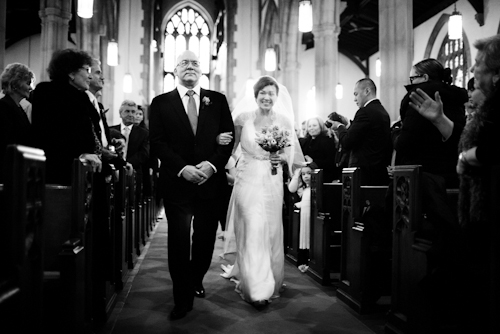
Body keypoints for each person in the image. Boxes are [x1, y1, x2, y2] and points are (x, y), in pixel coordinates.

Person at [410, 34, 500, 333]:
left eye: (478, 65)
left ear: (497, 73)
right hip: (477, 211)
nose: (473, 72)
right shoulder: (486, 109)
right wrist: (439, 120)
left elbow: (486, 150)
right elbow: (464, 142)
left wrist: (470, 158)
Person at [149, 50, 234, 320]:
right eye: (184, 62)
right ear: (175, 70)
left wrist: (210, 166)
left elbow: (228, 138)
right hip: (178, 184)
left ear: (202, 71)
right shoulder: (161, 102)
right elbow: (158, 142)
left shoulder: (217, 100)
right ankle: (182, 298)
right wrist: (182, 169)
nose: (190, 66)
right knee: (178, 240)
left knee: (205, 239)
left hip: (210, 183)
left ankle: (195, 277)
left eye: (195, 63)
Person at [219, 75, 305, 308]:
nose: (267, 97)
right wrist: (228, 171)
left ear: (277, 97)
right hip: (246, 178)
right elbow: (231, 149)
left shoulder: (284, 121)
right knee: (253, 227)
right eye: (263, 93)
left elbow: (293, 154)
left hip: (272, 179)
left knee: (271, 228)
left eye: (271, 93)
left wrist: (283, 161)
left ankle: (270, 277)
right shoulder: (242, 118)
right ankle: (256, 286)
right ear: (255, 96)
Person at [31, 49, 102, 184]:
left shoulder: (82, 97)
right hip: (59, 170)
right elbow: (50, 135)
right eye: (87, 70)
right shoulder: (47, 92)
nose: (90, 76)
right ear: (71, 73)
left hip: (85, 170)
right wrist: (80, 155)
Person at [394, 58, 468, 188]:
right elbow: (460, 138)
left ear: (425, 77)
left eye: (412, 79)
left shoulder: (419, 97)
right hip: (451, 174)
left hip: (422, 178)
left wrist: (395, 134)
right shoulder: (455, 97)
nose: (410, 83)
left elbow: (405, 143)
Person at [330, 78, 392, 186]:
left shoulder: (364, 112)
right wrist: (349, 125)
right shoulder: (383, 112)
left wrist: (339, 127)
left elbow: (347, 142)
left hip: (363, 172)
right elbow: (365, 135)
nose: (354, 99)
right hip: (378, 171)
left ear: (367, 91)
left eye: (356, 94)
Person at [0, 63, 35, 181]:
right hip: (9, 171)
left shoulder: (19, 108)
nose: (31, 88)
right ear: (15, 84)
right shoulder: (3, 106)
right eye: (28, 83)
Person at [110, 100, 149, 175]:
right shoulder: (111, 131)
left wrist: (125, 164)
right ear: (120, 114)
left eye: (133, 112)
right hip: (114, 171)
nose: (130, 114)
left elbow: (144, 154)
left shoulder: (144, 133)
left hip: (135, 172)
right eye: (127, 111)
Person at [287, 165, 312, 273]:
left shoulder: (315, 188)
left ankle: (308, 262)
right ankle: (303, 261)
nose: (306, 176)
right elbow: (291, 188)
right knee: (303, 237)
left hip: (311, 217)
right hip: (304, 216)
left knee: (309, 238)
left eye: (309, 173)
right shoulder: (304, 188)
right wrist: (297, 174)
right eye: (303, 174)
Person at [300, 116, 339, 182]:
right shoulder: (305, 142)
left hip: (323, 176)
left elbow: (330, 162)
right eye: (309, 126)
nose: (311, 128)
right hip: (307, 177)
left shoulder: (327, 141)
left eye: (314, 125)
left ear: (320, 126)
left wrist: (313, 162)